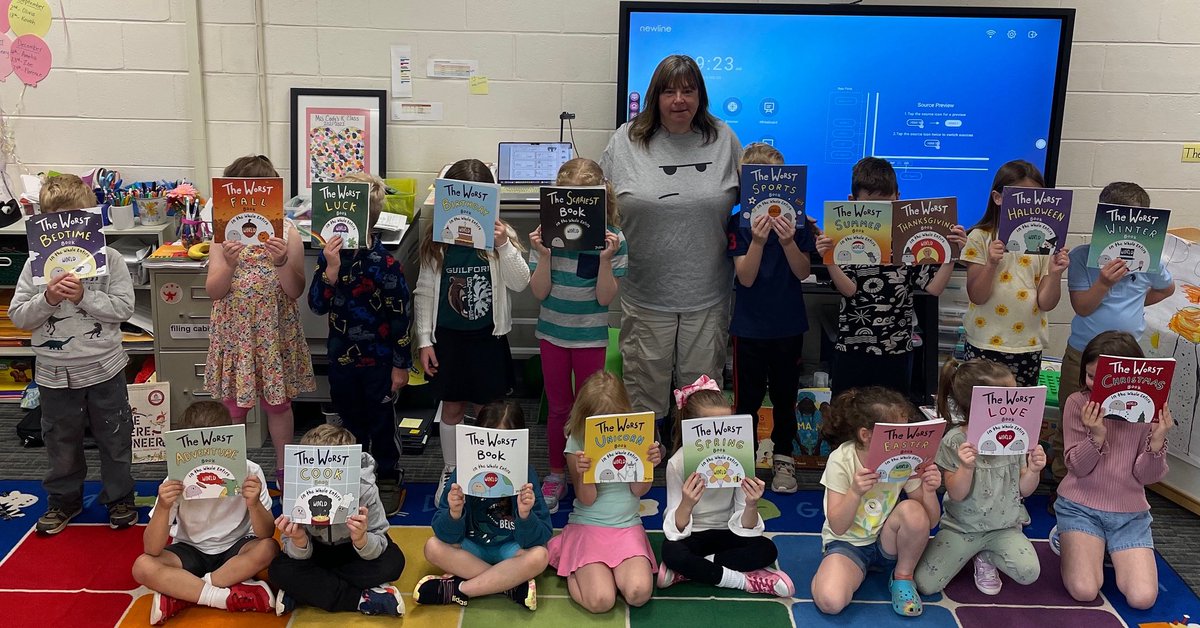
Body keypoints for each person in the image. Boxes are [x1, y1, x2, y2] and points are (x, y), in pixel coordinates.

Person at [599, 54, 742, 429]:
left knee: (701, 396)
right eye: (669, 91)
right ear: (655, 97)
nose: (679, 99)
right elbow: (601, 202)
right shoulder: (626, 140)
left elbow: (758, 199)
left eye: (688, 90)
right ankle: (641, 472)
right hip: (646, 291)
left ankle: (698, 474)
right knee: (643, 391)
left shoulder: (724, 138)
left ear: (701, 95)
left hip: (707, 293)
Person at [9, 173, 138, 534]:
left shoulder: (110, 260)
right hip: (54, 373)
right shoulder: (34, 265)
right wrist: (48, 298)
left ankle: (119, 498)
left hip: (105, 368)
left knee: (114, 436)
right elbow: (18, 316)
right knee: (60, 440)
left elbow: (123, 309)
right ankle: (64, 500)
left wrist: (85, 296)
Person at [414, 159, 530, 498]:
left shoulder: (499, 238)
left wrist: (503, 245)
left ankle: (486, 467)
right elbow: (423, 291)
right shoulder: (438, 242)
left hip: (487, 339)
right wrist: (424, 339)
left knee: (487, 409)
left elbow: (521, 283)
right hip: (448, 339)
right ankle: (451, 471)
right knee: (451, 408)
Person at [1053, 182, 1175, 483]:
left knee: (1124, 421)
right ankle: (1063, 480)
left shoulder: (1151, 261)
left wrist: (1135, 303)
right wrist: (1104, 284)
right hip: (1083, 353)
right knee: (1072, 418)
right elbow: (1082, 307)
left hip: (1128, 355)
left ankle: (1112, 481)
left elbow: (1167, 288)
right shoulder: (1083, 256)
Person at [205, 155, 315, 486]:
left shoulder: (287, 234)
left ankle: (285, 473)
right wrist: (226, 262)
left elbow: (295, 290)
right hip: (235, 337)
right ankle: (230, 471)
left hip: (273, 336)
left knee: (278, 405)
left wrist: (282, 261)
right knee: (232, 409)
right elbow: (214, 290)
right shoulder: (222, 238)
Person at [816, 157, 965, 397]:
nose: (880, 213)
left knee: (892, 416)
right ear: (853, 202)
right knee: (846, 418)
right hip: (853, 347)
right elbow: (849, 290)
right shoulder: (846, 238)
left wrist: (951, 255)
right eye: (872, 206)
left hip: (896, 350)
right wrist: (830, 259)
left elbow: (934, 288)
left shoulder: (907, 240)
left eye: (887, 205)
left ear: (898, 198)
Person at [528, 158, 628, 513]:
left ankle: (590, 470)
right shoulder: (548, 237)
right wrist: (542, 256)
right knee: (558, 408)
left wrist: (605, 259)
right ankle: (557, 472)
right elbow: (538, 292)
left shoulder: (613, 240)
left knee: (593, 409)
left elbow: (604, 298)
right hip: (552, 334)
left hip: (590, 337)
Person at [308, 172, 412, 515]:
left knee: (381, 421)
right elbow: (317, 304)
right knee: (348, 420)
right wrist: (331, 271)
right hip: (342, 361)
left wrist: (400, 364)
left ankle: (386, 474)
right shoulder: (330, 258)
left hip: (379, 362)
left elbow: (401, 318)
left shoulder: (386, 265)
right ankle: (351, 473)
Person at [1053, 331, 1171, 610]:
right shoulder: (1078, 403)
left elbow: (1147, 477)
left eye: (1103, 379)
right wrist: (1096, 436)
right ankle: (1071, 538)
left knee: (1142, 598)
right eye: (1091, 377)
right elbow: (1077, 468)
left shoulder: (1150, 409)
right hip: (1079, 507)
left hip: (1129, 514)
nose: (1095, 386)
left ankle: (1101, 546)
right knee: (1084, 590)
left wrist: (1156, 441)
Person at [131, 401, 278, 624]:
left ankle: (185, 594)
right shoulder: (175, 480)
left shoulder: (250, 472)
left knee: (269, 548)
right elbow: (151, 548)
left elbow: (266, 533)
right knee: (142, 566)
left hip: (236, 548)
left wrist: (254, 504)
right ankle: (221, 595)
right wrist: (162, 507)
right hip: (190, 550)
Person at [914, 359, 1045, 596]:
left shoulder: (1016, 436)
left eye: (1014, 398)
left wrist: (1034, 471)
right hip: (961, 528)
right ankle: (967, 551)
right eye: (1004, 400)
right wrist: (966, 466)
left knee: (1029, 572)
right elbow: (956, 493)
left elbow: (1024, 489)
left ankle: (985, 556)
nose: (1011, 407)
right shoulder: (955, 440)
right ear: (975, 405)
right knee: (925, 584)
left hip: (1004, 528)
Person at [727, 142, 814, 494]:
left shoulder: (798, 224)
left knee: (784, 397)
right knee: (745, 400)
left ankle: (783, 458)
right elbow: (744, 277)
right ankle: (742, 463)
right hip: (749, 329)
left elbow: (803, 271)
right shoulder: (738, 224)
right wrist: (759, 242)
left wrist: (790, 241)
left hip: (788, 325)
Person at [658, 375, 795, 597]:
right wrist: (687, 503)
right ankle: (744, 581)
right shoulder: (677, 463)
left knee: (767, 550)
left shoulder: (739, 458)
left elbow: (746, 525)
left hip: (728, 533)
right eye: (709, 429)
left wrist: (751, 504)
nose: (718, 435)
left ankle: (692, 570)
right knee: (672, 553)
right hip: (693, 536)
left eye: (726, 426)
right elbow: (676, 530)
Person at [810, 387, 942, 617]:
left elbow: (929, 522)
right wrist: (855, 492)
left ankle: (902, 576)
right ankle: (838, 570)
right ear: (866, 435)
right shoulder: (841, 459)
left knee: (912, 509)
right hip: (847, 544)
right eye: (898, 433)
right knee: (830, 601)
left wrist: (930, 491)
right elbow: (838, 526)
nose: (905, 440)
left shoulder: (906, 459)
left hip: (886, 542)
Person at [415, 401, 550, 610]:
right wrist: (454, 514)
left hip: (511, 550)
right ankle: (509, 585)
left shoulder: (526, 475)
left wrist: (525, 516)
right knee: (432, 547)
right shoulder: (462, 474)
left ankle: (461, 589)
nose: (494, 457)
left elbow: (541, 536)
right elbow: (444, 535)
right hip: (471, 548)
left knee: (540, 556)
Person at [549, 371, 660, 613]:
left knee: (639, 593)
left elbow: (638, 490)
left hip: (627, 526)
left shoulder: (636, 436)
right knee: (601, 601)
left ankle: (593, 568)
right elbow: (586, 499)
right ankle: (570, 562)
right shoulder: (576, 442)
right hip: (589, 525)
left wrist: (647, 464)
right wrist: (584, 474)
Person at [270, 425, 407, 617]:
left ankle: (306, 591)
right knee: (278, 570)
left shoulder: (365, 489)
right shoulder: (295, 489)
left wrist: (361, 539)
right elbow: (291, 549)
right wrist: (299, 540)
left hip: (353, 551)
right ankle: (362, 599)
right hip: (314, 552)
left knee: (394, 562)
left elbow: (380, 538)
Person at [960, 160, 1069, 386]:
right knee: (978, 409)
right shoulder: (980, 237)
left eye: (1036, 198)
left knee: (1018, 413)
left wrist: (1056, 273)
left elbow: (1046, 303)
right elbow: (977, 296)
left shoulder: (1046, 241)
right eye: (1022, 198)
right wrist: (991, 263)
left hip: (1027, 345)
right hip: (984, 342)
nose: (1029, 206)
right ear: (998, 198)